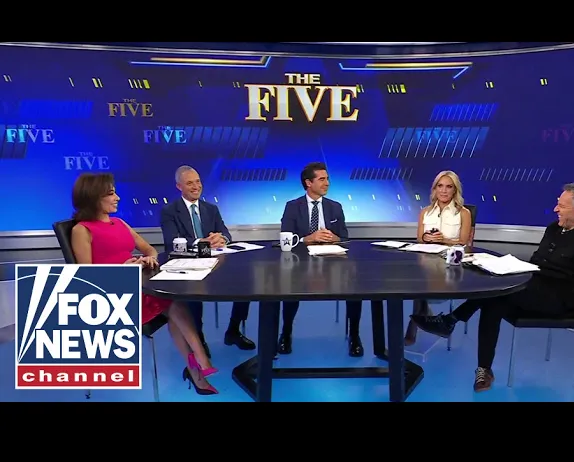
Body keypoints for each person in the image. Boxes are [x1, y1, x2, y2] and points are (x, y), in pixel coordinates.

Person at [411, 183, 574, 392]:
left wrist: (563, 300)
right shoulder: (555, 228)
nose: (556, 209)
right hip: (535, 286)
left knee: (495, 293)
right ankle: (482, 367)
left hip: (562, 300)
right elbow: (537, 262)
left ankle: (451, 322)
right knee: (493, 297)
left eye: (561, 206)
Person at [69, 172, 218, 396]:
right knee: (173, 305)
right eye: (111, 194)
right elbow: (87, 278)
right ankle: (200, 365)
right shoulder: (81, 230)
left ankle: (198, 366)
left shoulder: (119, 223)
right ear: (93, 197)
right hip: (112, 296)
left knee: (174, 301)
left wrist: (149, 259)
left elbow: (149, 249)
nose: (118, 198)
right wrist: (123, 269)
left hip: (137, 287)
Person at [160, 166, 256, 354]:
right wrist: (201, 242)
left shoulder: (211, 209)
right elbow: (172, 241)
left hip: (216, 264)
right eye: (190, 183)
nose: (196, 186)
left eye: (198, 182)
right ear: (179, 186)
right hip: (188, 264)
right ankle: (199, 339)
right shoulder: (169, 211)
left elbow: (225, 232)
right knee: (194, 293)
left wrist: (222, 238)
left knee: (245, 284)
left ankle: (233, 330)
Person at [279, 161, 364, 357]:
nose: (327, 183)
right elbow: (286, 236)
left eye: (328, 179)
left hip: (333, 261)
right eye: (322, 179)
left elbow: (344, 237)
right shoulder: (293, 207)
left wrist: (335, 238)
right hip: (301, 261)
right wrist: (307, 238)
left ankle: (354, 336)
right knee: (289, 287)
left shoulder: (335, 207)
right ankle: (286, 333)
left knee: (354, 288)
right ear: (308, 183)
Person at [405, 170, 472, 346]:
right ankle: (421, 316)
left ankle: (414, 324)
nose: (444, 190)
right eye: (440, 186)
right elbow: (419, 239)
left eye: (449, 187)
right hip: (426, 260)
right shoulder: (425, 212)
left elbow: (464, 241)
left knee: (423, 283)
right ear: (434, 189)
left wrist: (444, 240)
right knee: (418, 278)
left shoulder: (463, 213)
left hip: (451, 262)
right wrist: (426, 238)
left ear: (455, 190)